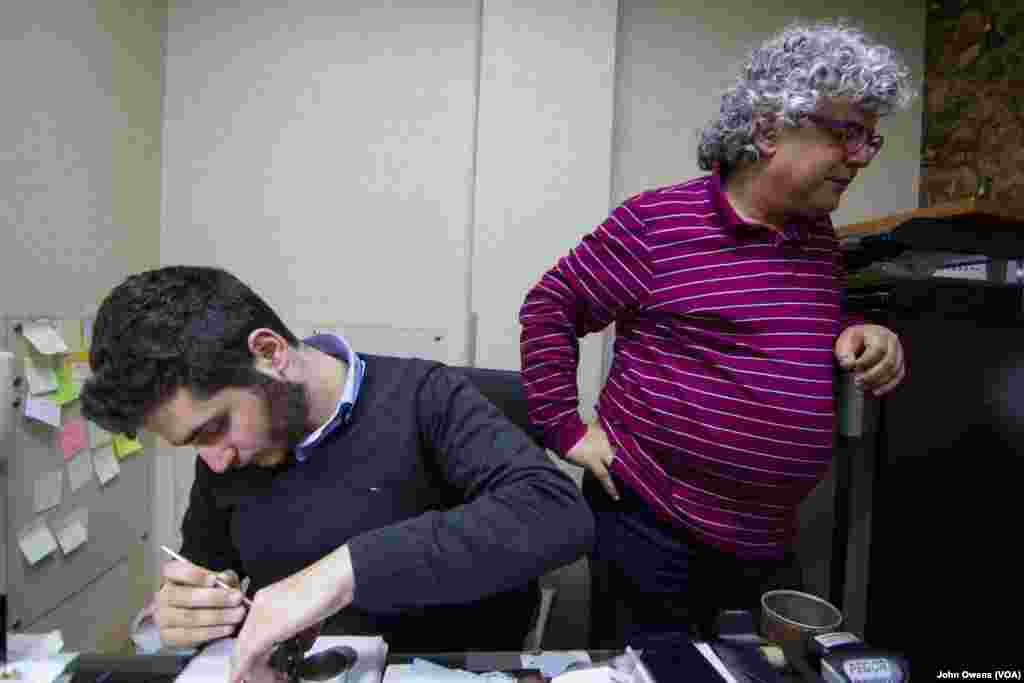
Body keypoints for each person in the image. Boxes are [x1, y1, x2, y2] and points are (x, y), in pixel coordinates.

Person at [518, 20, 914, 649]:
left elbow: (793, 323)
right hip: (653, 525)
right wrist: (564, 429)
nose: (863, 156)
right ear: (769, 131)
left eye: (871, 138)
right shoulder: (657, 224)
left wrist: (857, 330)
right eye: (846, 133)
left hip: (767, 537)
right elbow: (551, 307)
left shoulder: (817, 237)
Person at [81, 265, 594, 683]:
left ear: (270, 354)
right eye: (192, 442)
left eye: (214, 428)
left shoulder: (424, 397)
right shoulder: (229, 455)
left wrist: (341, 574)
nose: (214, 461)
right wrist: (185, 614)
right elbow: (206, 574)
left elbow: (556, 513)